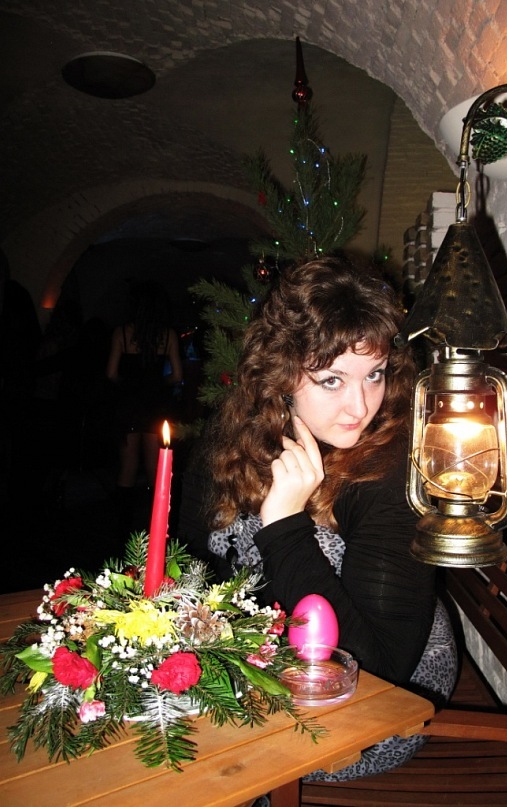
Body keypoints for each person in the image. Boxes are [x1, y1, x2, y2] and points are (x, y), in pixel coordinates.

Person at [205, 257, 458, 782]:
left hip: (377, 713)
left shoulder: (393, 478)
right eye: (331, 380)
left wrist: (284, 526)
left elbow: (381, 667)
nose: (359, 407)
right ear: (280, 378)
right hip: (272, 663)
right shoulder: (250, 436)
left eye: (374, 375)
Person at [106, 281, 183, 535]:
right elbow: (177, 375)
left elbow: (111, 373)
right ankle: (159, 529)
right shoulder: (167, 335)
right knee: (155, 470)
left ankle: (122, 531)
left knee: (127, 469)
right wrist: (158, 384)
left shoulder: (122, 333)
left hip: (129, 405)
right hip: (155, 405)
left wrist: (128, 384)